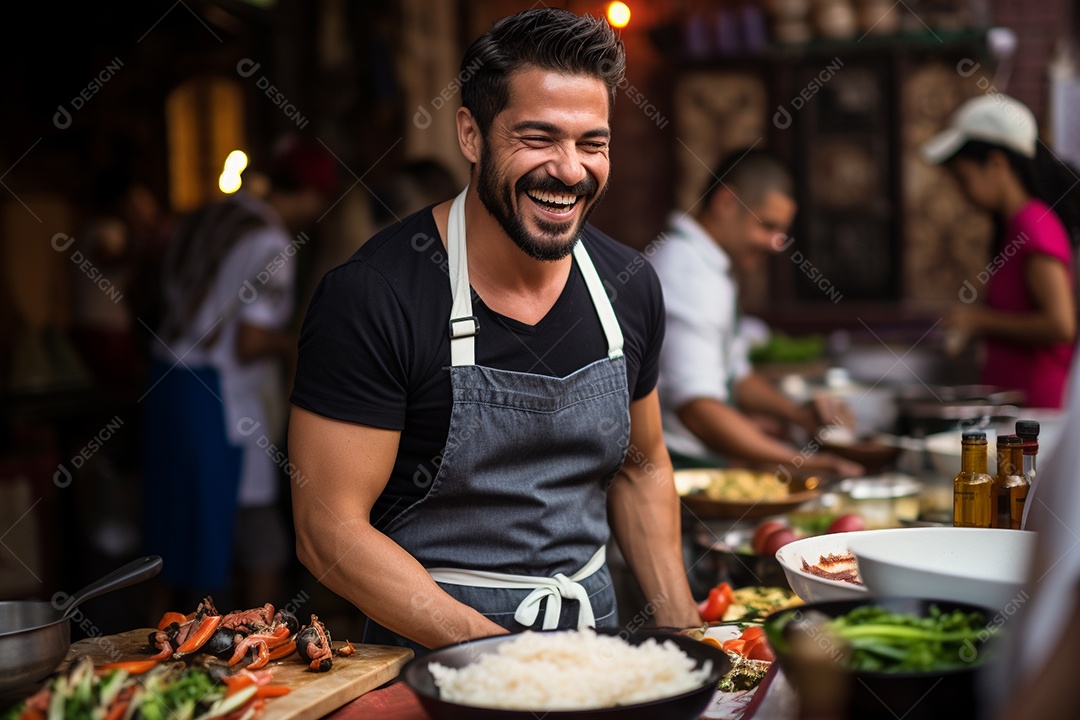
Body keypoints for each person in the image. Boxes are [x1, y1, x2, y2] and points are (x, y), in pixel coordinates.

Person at [288, 7, 701, 652]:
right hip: (425, 662)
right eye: (538, 138)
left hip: (594, 650)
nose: (569, 170)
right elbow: (327, 527)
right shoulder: (375, 295)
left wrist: (689, 640)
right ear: (471, 135)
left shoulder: (629, 287)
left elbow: (640, 469)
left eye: (592, 143)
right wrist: (506, 662)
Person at [141, 137, 337, 616]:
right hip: (218, 395)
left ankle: (158, 647)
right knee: (256, 534)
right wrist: (300, 343)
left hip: (165, 379)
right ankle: (256, 645)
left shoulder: (211, 214)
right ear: (311, 196)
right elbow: (251, 343)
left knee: (171, 533)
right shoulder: (271, 242)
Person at [648, 149, 864, 476]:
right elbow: (698, 408)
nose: (776, 243)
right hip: (679, 474)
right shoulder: (688, 274)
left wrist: (799, 416)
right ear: (726, 202)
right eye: (767, 225)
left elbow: (736, 375)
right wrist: (805, 464)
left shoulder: (708, 266)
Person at [923, 93, 1079, 409]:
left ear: (996, 164)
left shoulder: (1034, 225)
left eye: (963, 178)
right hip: (1018, 407)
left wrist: (979, 322)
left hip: (1039, 411)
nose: (961, 191)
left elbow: (1061, 325)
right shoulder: (1016, 225)